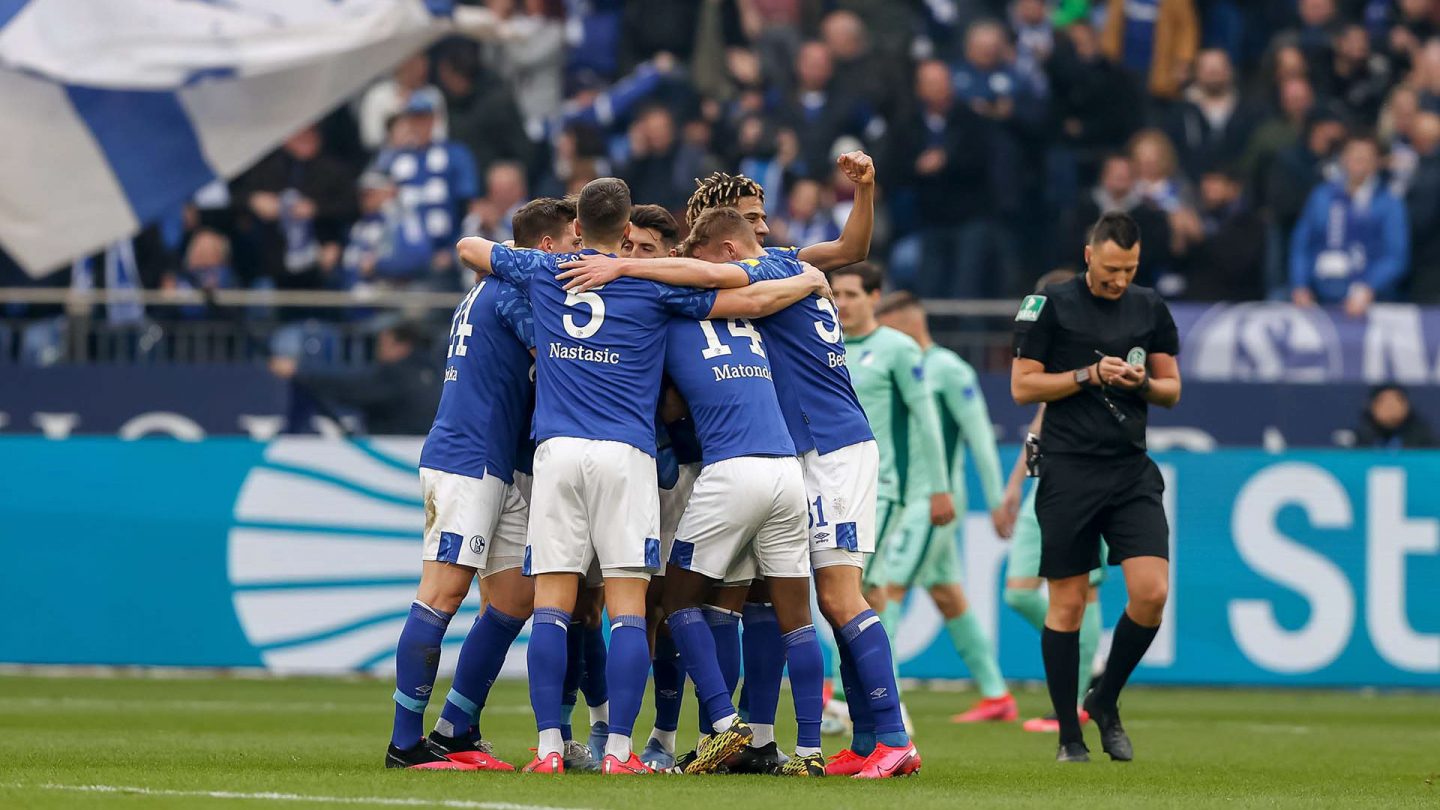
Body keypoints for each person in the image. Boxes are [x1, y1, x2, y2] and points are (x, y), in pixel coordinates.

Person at [457, 177, 831, 775]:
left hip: (556, 451)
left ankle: (551, 749)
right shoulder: (657, 291)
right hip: (628, 455)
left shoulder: (544, 272)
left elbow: (471, 247)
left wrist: (550, 258)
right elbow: (741, 290)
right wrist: (636, 273)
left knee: (554, 601)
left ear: (577, 226)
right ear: (628, 229)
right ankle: (621, 753)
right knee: (630, 607)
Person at [558, 167, 921, 782]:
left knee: (833, 596)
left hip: (822, 447)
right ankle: (833, 741)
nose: (766, 223)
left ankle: (886, 735)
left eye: (762, 213)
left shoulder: (775, 264)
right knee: (777, 599)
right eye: (752, 215)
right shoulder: (788, 265)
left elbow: (733, 283)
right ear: (726, 221)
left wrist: (623, 268)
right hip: (790, 451)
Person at [380, 197, 574, 770]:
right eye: (571, 241)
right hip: (468, 457)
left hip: (498, 459)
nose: (578, 251)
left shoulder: (489, 285)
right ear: (545, 246)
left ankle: (454, 729)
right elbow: (564, 356)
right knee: (441, 593)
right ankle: (405, 745)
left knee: (515, 597)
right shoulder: (514, 292)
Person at [652, 207, 831, 777]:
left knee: (676, 600)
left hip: (730, 471)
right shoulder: (748, 312)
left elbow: (672, 405)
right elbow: (755, 297)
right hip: (785, 471)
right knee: (795, 616)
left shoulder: (670, 306)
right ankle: (807, 752)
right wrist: (806, 278)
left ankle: (725, 730)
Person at [1011, 212, 1182, 763]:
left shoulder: (1149, 307)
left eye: (1129, 269)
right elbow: (1022, 387)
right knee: (1067, 604)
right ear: (1090, 255)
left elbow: (1172, 390)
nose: (1119, 280)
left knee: (1151, 593)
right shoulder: (1050, 305)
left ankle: (1104, 699)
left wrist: (1143, 383)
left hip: (1129, 469)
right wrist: (1088, 375)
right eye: (1111, 268)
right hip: (1069, 468)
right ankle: (1069, 734)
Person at [873, 292, 1017, 725]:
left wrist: (996, 501)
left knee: (887, 587)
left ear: (907, 322)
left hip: (935, 503)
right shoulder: (894, 368)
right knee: (948, 595)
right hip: (903, 497)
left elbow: (980, 437)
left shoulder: (949, 370)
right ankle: (997, 695)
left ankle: (869, 697)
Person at [999, 269, 1107, 735]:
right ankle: (1083, 649)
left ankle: (1079, 700)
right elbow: (1042, 419)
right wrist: (1014, 485)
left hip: (1088, 481)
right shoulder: (1050, 353)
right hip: (1046, 484)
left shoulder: (1098, 349)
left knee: (1086, 592)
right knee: (1020, 593)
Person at [828, 264, 954, 650]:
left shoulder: (898, 349)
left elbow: (926, 417)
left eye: (852, 295)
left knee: (849, 584)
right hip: (830, 483)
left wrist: (939, 488)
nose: (843, 303)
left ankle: (843, 700)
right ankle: (887, 697)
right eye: (837, 295)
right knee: (872, 589)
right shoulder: (824, 343)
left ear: (874, 298)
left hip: (882, 487)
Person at [1290, 134, 1410, 316]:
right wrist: (1300, 285)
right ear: (1343, 158)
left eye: (1366, 157)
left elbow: (1395, 256)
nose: (1359, 161)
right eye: (1354, 155)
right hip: (1319, 297)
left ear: (1377, 162)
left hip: (1369, 302)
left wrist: (1369, 287)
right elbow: (1302, 244)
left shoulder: (1388, 203)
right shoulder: (1322, 196)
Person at [269, 323, 439, 436]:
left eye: (382, 345)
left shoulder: (397, 374)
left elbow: (351, 388)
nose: (378, 352)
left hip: (396, 455)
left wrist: (300, 371)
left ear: (402, 346)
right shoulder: (435, 370)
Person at [1352, 384, 1436, 449]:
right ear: (1372, 407)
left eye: (1396, 402)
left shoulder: (1424, 440)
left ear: (1407, 406)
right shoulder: (1358, 439)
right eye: (1384, 403)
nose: (1391, 408)